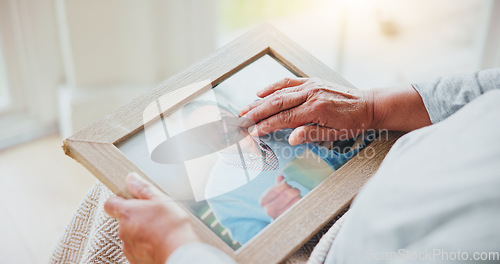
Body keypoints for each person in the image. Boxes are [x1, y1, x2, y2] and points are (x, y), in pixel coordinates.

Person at [104, 68, 500, 264]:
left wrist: (179, 252)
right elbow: (257, 246)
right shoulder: (223, 197)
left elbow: (341, 164)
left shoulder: (285, 136)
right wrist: (375, 106)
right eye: (203, 138)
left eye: (218, 122)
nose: (222, 134)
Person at [178, 99, 372, 244]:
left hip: (362, 207)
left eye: (222, 119)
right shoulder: (218, 192)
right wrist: (280, 221)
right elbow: (261, 252)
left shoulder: (278, 132)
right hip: (323, 245)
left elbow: (340, 165)